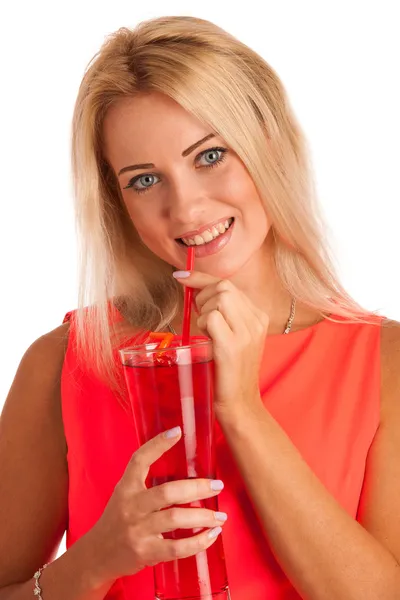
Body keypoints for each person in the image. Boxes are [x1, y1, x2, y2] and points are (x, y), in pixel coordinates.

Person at [0, 14, 399, 600]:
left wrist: (241, 411)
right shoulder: (64, 363)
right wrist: (95, 560)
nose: (185, 210)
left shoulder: (382, 364)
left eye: (210, 156)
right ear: (118, 203)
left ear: (267, 140)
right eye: (143, 180)